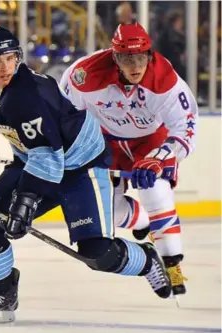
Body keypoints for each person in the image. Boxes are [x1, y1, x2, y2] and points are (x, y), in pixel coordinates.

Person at [0, 26, 171, 324]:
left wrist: (25, 201)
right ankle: (1, 295)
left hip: (81, 168)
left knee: (98, 253)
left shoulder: (30, 94)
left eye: (10, 58)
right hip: (32, 161)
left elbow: (50, 156)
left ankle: (147, 258)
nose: (4, 67)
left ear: (19, 58)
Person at [60, 23, 198, 298]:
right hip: (104, 141)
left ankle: (173, 265)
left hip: (151, 140)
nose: (135, 66)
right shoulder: (83, 75)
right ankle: (143, 222)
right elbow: (63, 114)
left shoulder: (164, 79)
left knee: (155, 190)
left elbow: (185, 128)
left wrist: (158, 157)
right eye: (126, 58)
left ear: (150, 54)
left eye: (140, 57)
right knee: (108, 208)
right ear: (114, 57)